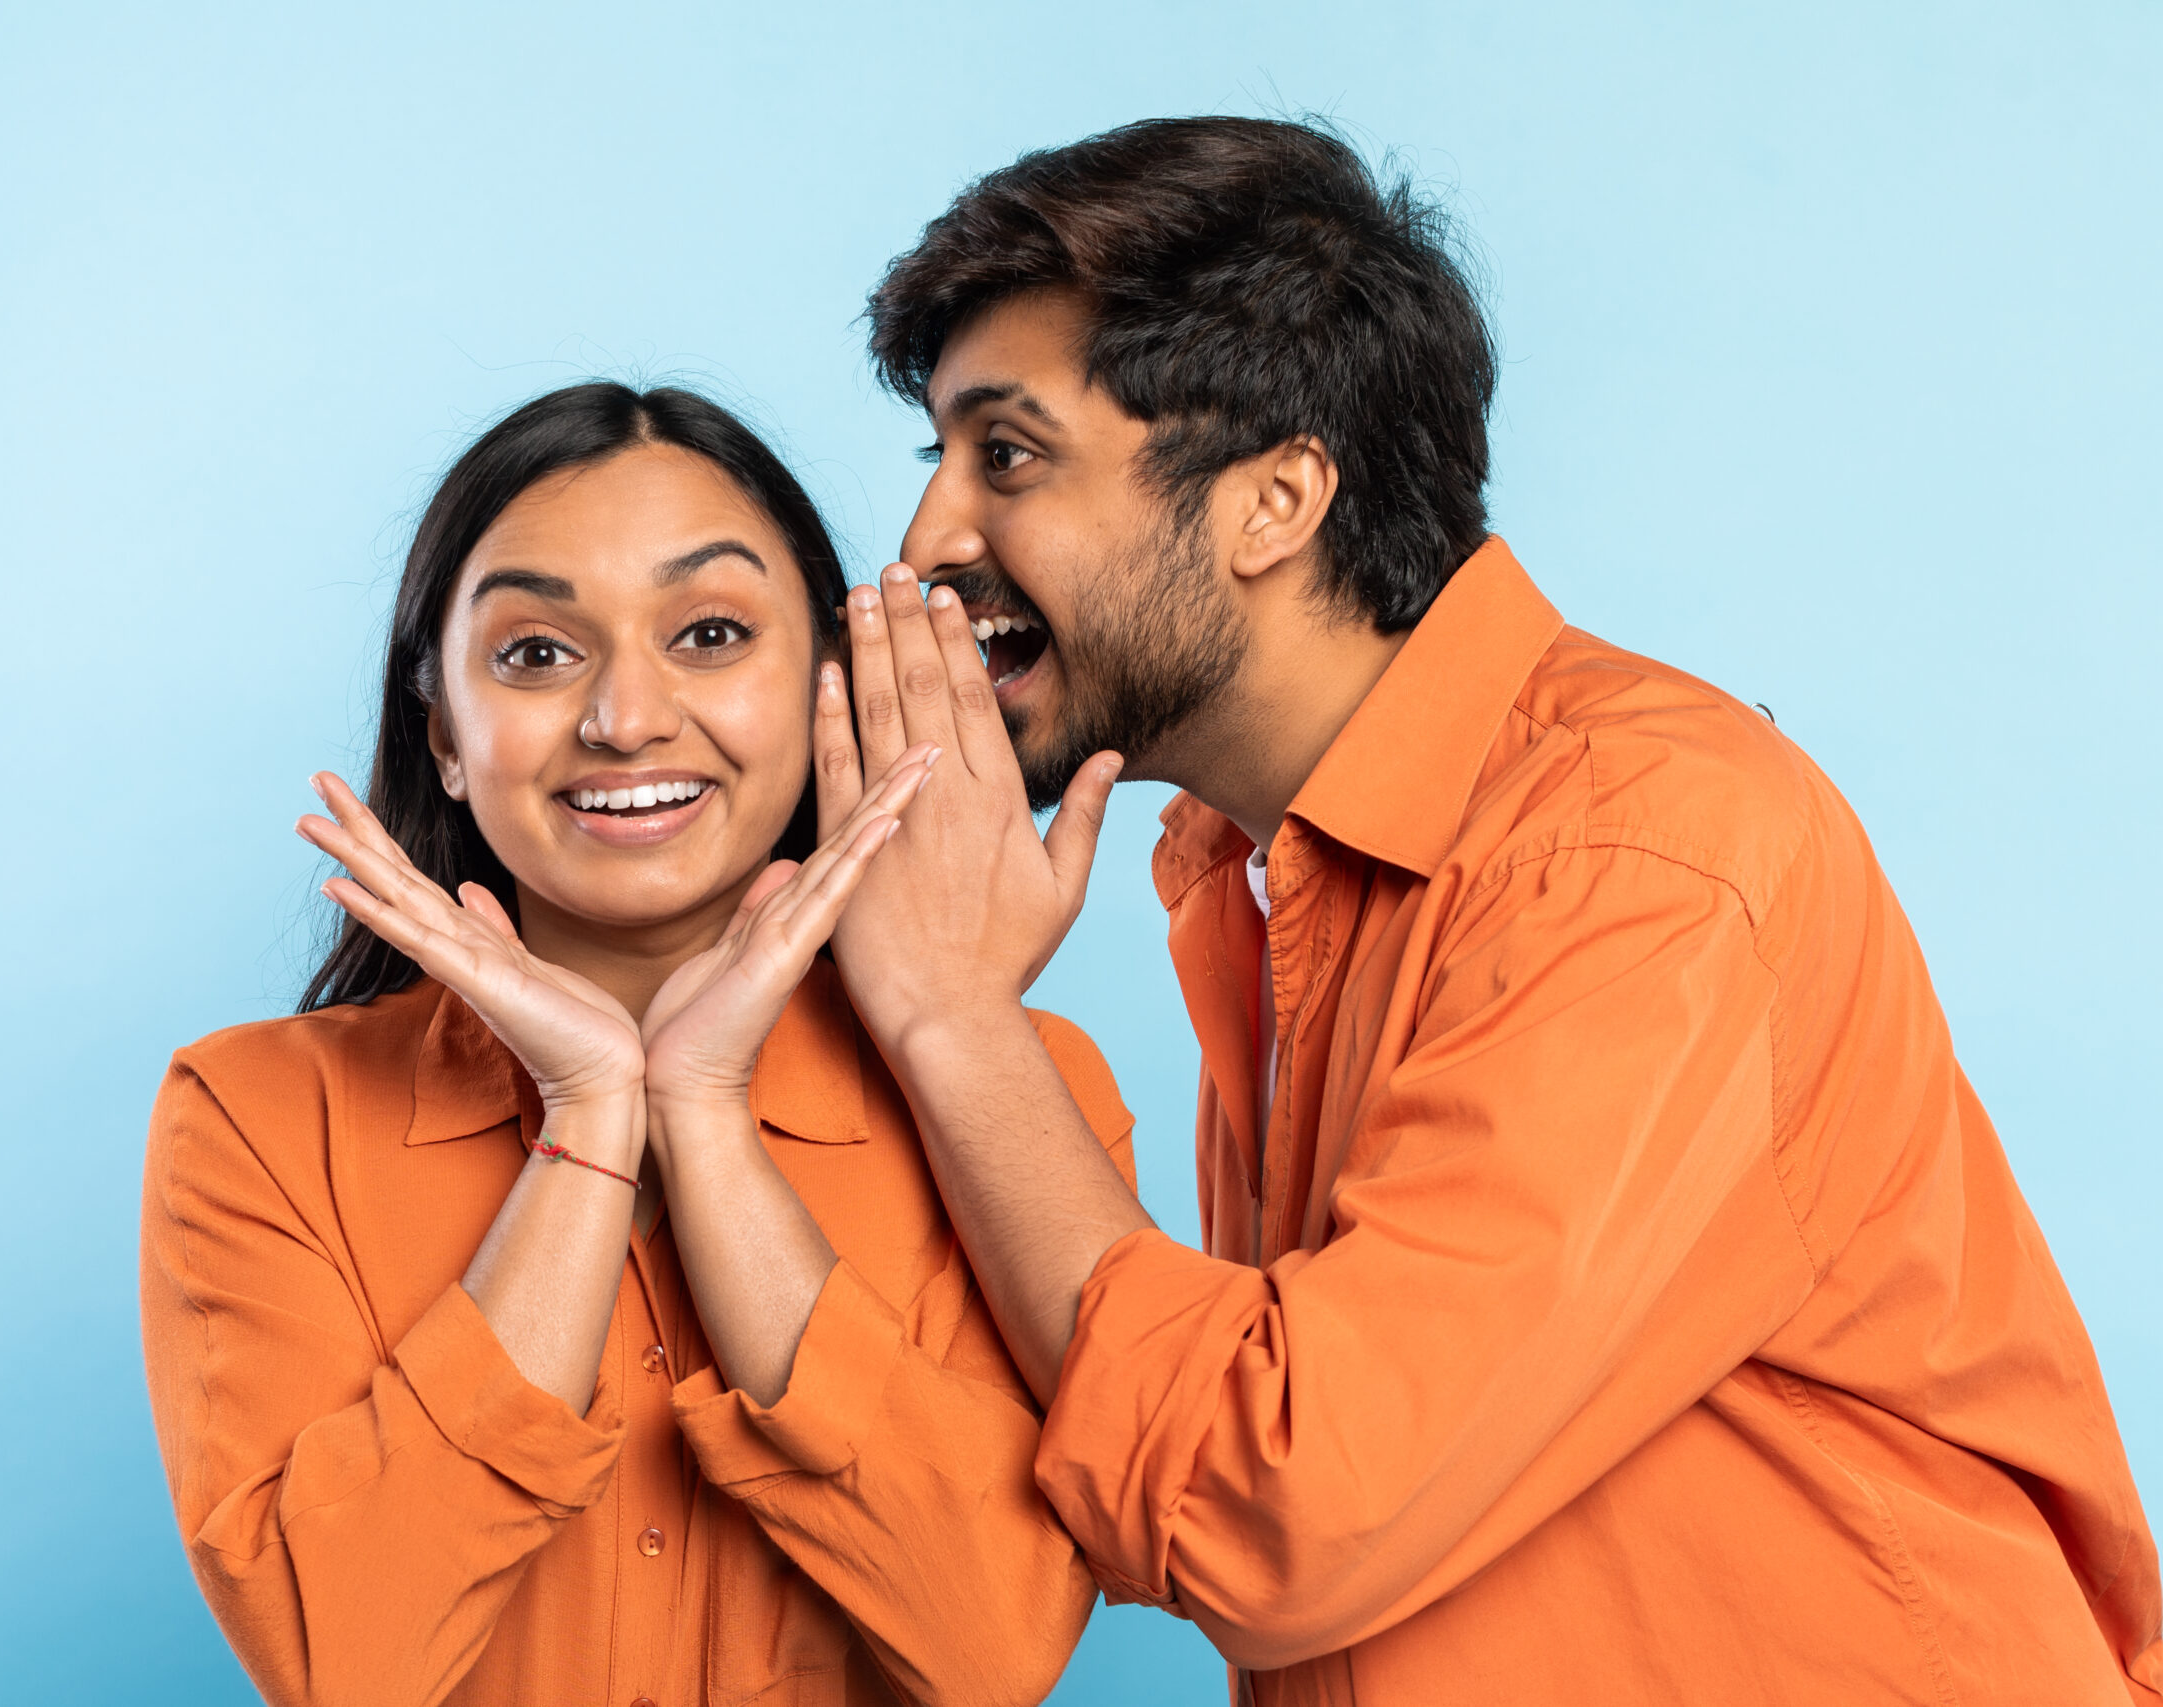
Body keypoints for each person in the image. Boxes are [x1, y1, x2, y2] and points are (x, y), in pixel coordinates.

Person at [807, 116, 2163, 1704]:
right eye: (938, 461)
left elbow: (1278, 1511)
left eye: (1009, 455)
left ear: (1275, 501)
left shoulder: (1632, 851)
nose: (928, 544)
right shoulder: (1240, 870)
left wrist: (958, 1022)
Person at [138, 382, 1133, 1707]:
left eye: (710, 633)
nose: (625, 717)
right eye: (538, 654)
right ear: (443, 733)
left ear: (829, 688)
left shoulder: (1015, 1085)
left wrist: (706, 1117)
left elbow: (993, 1646)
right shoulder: (257, 1115)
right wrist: (592, 1118)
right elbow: (345, 1666)